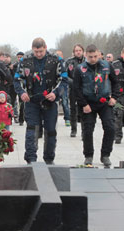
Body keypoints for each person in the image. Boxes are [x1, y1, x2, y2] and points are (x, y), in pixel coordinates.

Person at [14, 37, 67, 165]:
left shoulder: (56, 60)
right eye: (36, 52)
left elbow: (64, 80)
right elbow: (17, 79)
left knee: (50, 131)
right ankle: (31, 159)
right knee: (32, 129)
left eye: (41, 52)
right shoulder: (25, 60)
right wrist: (22, 92)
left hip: (49, 100)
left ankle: (49, 159)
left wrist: (56, 93)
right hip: (32, 101)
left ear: (45, 48)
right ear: (32, 49)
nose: (38, 54)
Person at [73, 45, 120, 167]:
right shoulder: (80, 69)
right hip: (88, 103)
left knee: (110, 128)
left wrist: (114, 97)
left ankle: (105, 155)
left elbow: (115, 82)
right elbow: (76, 89)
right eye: (90, 57)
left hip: (104, 101)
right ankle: (88, 155)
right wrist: (83, 104)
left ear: (99, 54)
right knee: (87, 131)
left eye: (95, 56)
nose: (93, 59)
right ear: (85, 56)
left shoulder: (107, 65)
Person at [66, 44, 85, 137]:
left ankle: (84, 130)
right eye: (76, 50)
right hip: (73, 88)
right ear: (74, 52)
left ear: (83, 51)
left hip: (84, 89)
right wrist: (73, 83)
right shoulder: (69, 62)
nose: (78, 52)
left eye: (80, 50)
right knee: (73, 109)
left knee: (83, 109)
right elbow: (65, 75)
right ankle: (73, 129)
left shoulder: (87, 61)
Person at [56, 50, 71, 127]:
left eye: (59, 55)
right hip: (55, 86)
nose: (58, 56)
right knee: (55, 103)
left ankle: (67, 119)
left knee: (65, 102)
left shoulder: (65, 64)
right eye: (56, 55)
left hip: (63, 86)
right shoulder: (54, 64)